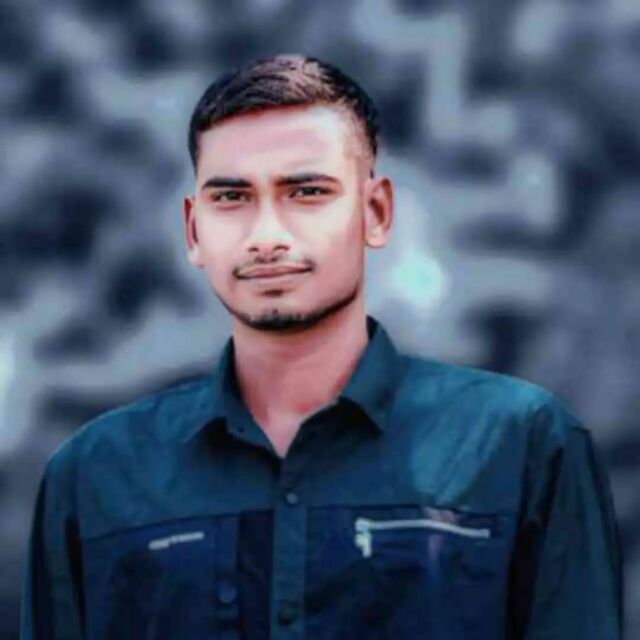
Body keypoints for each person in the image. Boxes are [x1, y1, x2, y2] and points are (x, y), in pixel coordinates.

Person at [20, 54, 623, 640]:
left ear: (376, 212)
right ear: (194, 229)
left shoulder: (521, 445)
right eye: (231, 198)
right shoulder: (94, 474)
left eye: (306, 192)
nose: (266, 235)